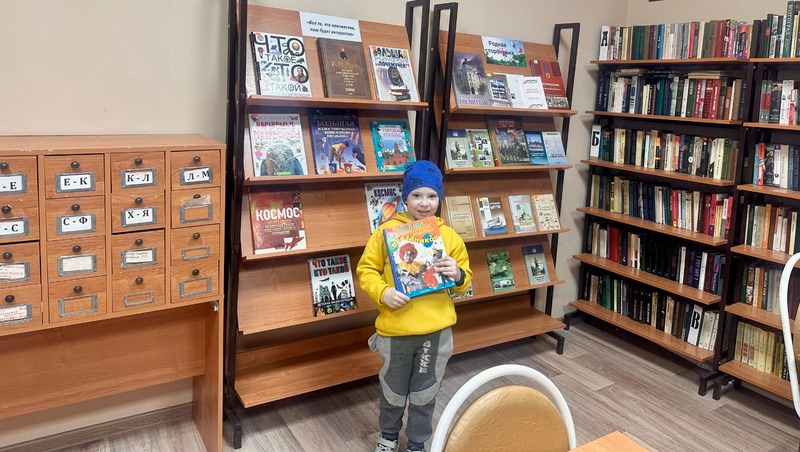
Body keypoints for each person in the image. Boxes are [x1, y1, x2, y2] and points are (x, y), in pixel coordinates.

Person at [357, 160, 472, 452]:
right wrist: (383, 292)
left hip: (436, 331)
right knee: (392, 390)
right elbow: (366, 270)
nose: (424, 203)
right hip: (396, 330)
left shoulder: (449, 237)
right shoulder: (385, 232)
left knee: (425, 392)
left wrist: (457, 274)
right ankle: (388, 436)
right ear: (405, 197)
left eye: (432, 196)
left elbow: (464, 281)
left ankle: (418, 442)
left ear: (440, 198)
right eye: (416, 195)